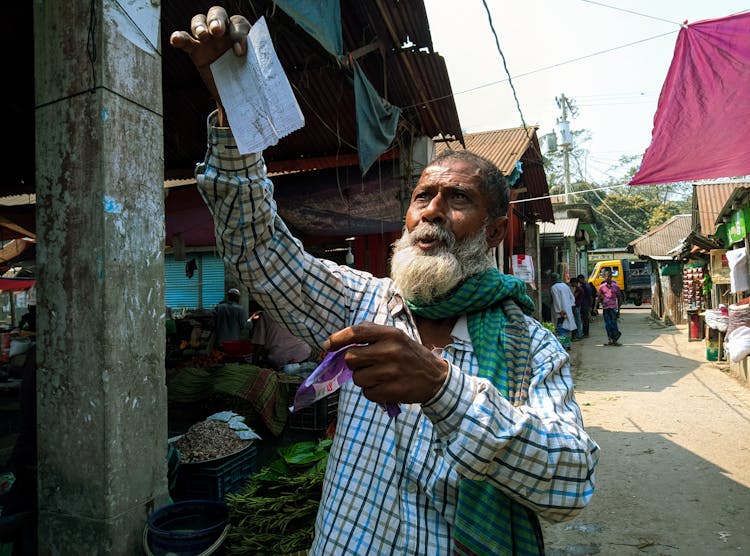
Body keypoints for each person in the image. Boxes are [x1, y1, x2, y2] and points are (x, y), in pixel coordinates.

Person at [170, 9, 599, 554]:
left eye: (458, 198)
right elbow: (258, 250)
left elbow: (570, 485)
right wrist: (233, 108)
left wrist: (444, 389)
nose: (433, 211)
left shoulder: (529, 347)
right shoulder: (363, 302)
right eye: (423, 196)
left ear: (493, 233)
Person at [249, 309, 315, 369]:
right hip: (303, 353)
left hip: (279, 357)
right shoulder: (297, 311)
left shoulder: (265, 314)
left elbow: (258, 343)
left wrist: (254, 365)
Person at [597, 270, 623, 345]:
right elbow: (598, 297)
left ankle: (615, 339)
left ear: (611, 277)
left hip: (613, 308)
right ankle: (610, 339)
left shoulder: (616, 287)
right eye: (606, 276)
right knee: (607, 324)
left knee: (613, 323)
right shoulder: (601, 287)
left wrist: (619, 310)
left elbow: (619, 298)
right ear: (604, 277)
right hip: (605, 308)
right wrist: (595, 307)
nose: (608, 277)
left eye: (609, 276)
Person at [550, 272, 576, 349]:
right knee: (567, 328)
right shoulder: (565, 286)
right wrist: (568, 307)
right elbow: (572, 298)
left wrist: (560, 310)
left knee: (561, 329)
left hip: (560, 312)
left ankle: (562, 346)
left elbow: (556, 300)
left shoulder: (554, 287)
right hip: (568, 310)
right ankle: (567, 345)